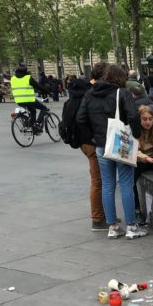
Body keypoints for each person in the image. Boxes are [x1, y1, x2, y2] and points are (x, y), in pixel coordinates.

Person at [76, 64, 146, 239]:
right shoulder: (121, 93)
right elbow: (133, 115)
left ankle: (113, 226)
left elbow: (80, 119)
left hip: (101, 145)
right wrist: (136, 135)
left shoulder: (90, 93)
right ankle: (131, 226)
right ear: (120, 78)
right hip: (120, 143)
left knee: (108, 185)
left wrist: (93, 137)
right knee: (125, 184)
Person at [61, 66, 108, 231]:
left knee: (98, 180)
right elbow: (84, 120)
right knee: (98, 181)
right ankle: (98, 219)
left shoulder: (69, 102)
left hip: (82, 144)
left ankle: (102, 215)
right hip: (90, 143)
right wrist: (93, 138)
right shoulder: (86, 99)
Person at [10, 64, 49, 131]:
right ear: (26, 70)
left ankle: (33, 126)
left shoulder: (12, 78)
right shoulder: (28, 77)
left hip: (18, 100)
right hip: (29, 100)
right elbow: (38, 86)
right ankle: (37, 124)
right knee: (44, 108)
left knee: (32, 111)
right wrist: (48, 92)